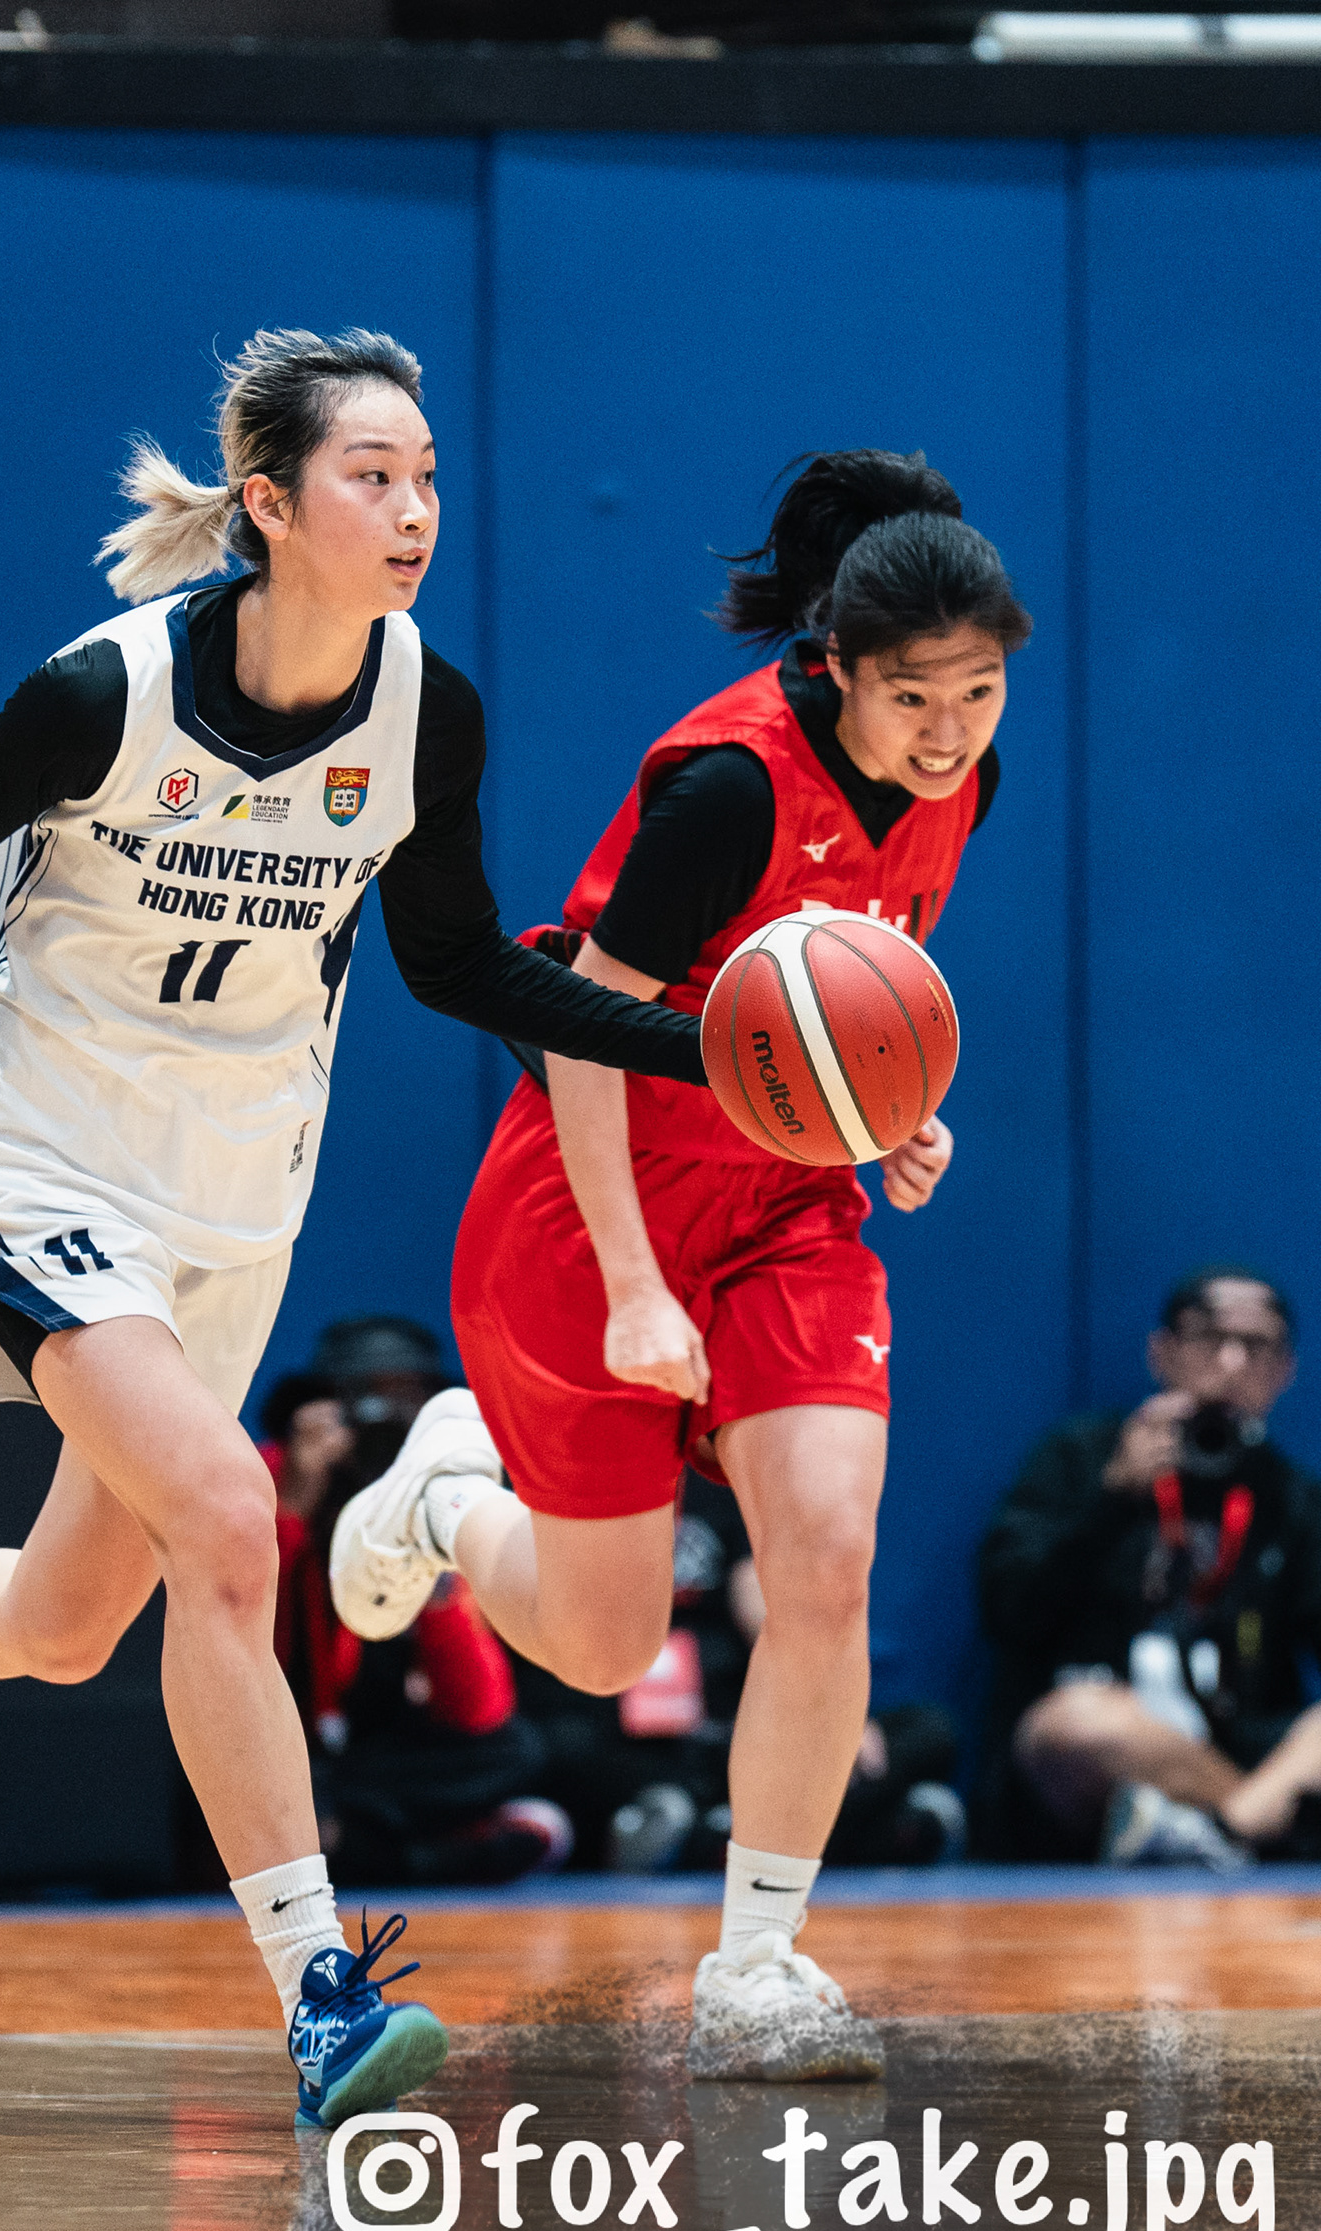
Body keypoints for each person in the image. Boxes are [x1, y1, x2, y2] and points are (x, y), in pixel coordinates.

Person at [0, 326, 713, 2136]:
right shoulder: (109, 692)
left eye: (427, 478)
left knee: (70, 1621)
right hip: (38, 1154)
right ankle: (324, 1994)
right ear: (270, 504)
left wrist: (721, 1057)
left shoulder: (426, 714)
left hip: (234, 1185)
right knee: (234, 1519)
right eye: (373, 477)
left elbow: (461, 964)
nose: (416, 510)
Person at [330, 449, 1031, 2081]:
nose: (949, 731)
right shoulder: (725, 788)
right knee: (601, 1642)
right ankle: (444, 1500)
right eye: (916, 698)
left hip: (786, 1213)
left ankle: (758, 1968)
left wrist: (887, 1117)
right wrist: (638, 1284)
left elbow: (838, 1004)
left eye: (981, 694)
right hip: (598, 1207)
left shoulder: (961, 783)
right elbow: (585, 1030)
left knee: (827, 1558)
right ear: (837, 667)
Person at [979, 1270, 1321, 1865]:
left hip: (1235, 1745)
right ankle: (1249, 1832)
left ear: (1286, 1370)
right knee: (1075, 1722)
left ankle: (1222, 1831)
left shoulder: (1288, 1496)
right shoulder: (1083, 1457)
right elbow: (1009, 1611)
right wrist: (1112, 1498)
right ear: (1160, 1352)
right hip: (1106, 1751)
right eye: (1209, 1338)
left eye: (1257, 1346)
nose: (1232, 1363)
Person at [512, 1474, 964, 1873]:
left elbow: (763, 1606)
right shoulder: (567, 1480)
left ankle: (713, 1836)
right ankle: (870, 1832)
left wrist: (827, 1708)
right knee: (561, 1748)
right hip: (633, 1727)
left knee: (927, 1730)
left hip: (734, 1726)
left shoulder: (719, 1480)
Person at [262, 1368, 568, 1887]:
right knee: (279, 1789)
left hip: (369, 1758)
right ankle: (437, 1853)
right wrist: (292, 1508)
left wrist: (437, 1579)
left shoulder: (425, 1494)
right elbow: (245, 1635)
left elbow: (478, 1710)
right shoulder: (272, 1477)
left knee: (513, 1748)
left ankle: (356, 1842)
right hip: (279, 1741)